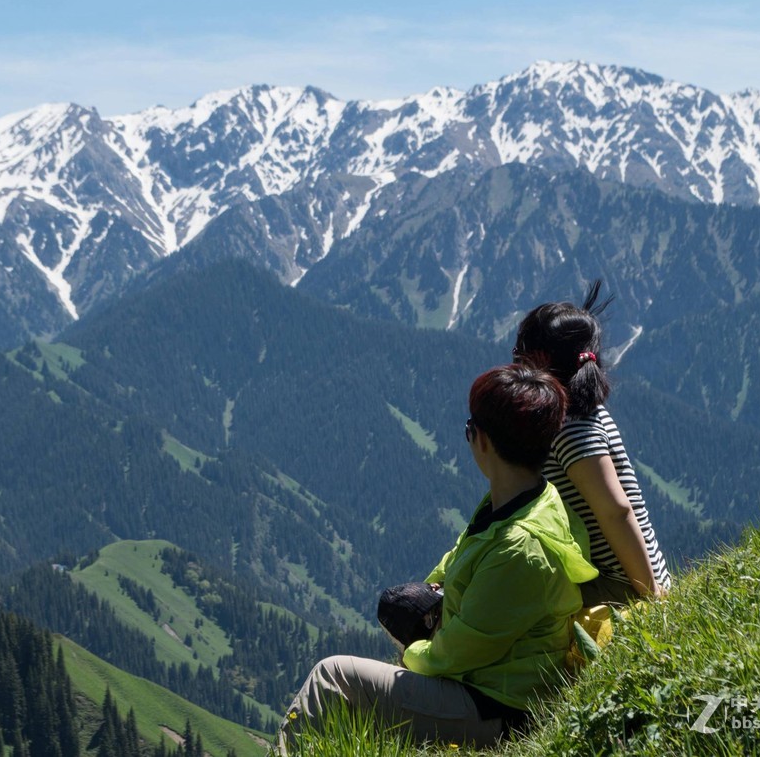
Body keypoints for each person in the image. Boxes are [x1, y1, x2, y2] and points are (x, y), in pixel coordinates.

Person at [276, 364, 598, 753]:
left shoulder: (521, 546)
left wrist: (410, 651)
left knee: (332, 677)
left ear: (484, 442)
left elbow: (454, 655)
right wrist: (435, 588)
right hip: (489, 686)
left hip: (499, 711)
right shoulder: (527, 498)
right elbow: (465, 552)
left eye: (469, 427)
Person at [513, 281, 671, 605]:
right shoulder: (586, 412)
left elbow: (615, 511)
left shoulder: (571, 428)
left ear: (540, 360)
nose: (514, 364)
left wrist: (651, 595)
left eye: (518, 354)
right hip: (637, 574)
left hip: (621, 585)